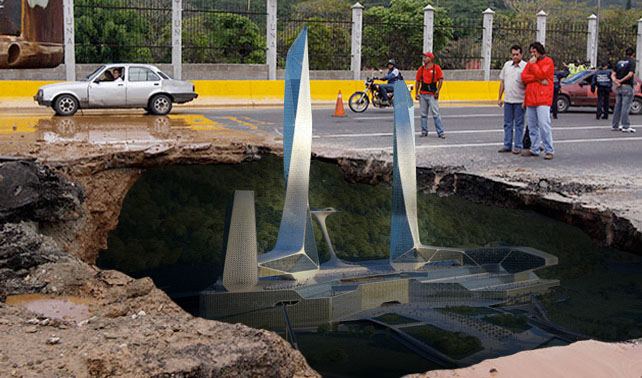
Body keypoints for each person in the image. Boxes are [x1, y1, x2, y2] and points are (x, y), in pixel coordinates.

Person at [521, 42, 555, 160]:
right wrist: (537, 79)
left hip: (543, 99)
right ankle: (534, 148)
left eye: (534, 52)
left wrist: (534, 67)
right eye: (531, 52)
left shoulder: (548, 62)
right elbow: (524, 77)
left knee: (544, 125)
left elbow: (542, 74)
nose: (532, 54)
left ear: (540, 51)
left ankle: (549, 149)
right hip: (531, 98)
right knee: (532, 126)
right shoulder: (530, 63)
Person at [497, 45, 527, 154]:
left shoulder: (525, 66)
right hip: (508, 100)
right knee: (507, 123)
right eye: (513, 54)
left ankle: (518, 146)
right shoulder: (507, 65)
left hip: (520, 100)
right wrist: (500, 97)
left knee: (519, 124)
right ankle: (507, 144)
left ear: (521, 55)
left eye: (517, 54)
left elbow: (528, 84)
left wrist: (526, 100)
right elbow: (502, 82)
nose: (515, 56)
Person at [415, 52, 445, 138]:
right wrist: (416, 93)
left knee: (435, 114)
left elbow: (440, 80)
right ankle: (424, 131)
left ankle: (440, 132)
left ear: (430, 59)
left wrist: (437, 91)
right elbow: (418, 81)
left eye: (425, 57)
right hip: (423, 94)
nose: (424, 59)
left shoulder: (436, 68)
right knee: (423, 114)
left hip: (432, 94)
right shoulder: (421, 69)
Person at [611, 48, 637, 133]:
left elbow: (613, 74)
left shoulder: (619, 62)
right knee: (625, 107)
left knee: (617, 106)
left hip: (618, 87)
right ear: (633, 54)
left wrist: (616, 82)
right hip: (627, 86)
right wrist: (621, 81)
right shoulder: (631, 62)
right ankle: (625, 126)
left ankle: (615, 125)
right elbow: (630, 74)